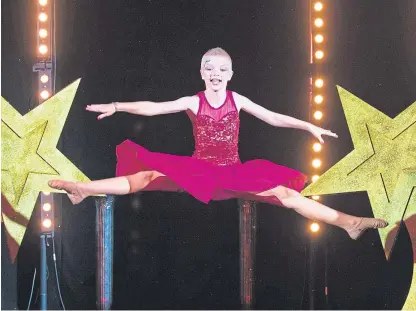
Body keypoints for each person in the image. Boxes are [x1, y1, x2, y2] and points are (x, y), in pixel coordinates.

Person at [49, 47, 387, 240]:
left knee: (287, 195)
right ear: (202, 72)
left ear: (229, 74)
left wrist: (308, 125)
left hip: (233, 173)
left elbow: (272, 116)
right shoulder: (194, 101)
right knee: (148, 176)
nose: (215, 73)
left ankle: (349, 222)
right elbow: (154, 108)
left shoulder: (237, 99)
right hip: (199, 172)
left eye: (221, 69)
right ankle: (82, 188)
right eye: (209, 68)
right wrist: (118, 106)